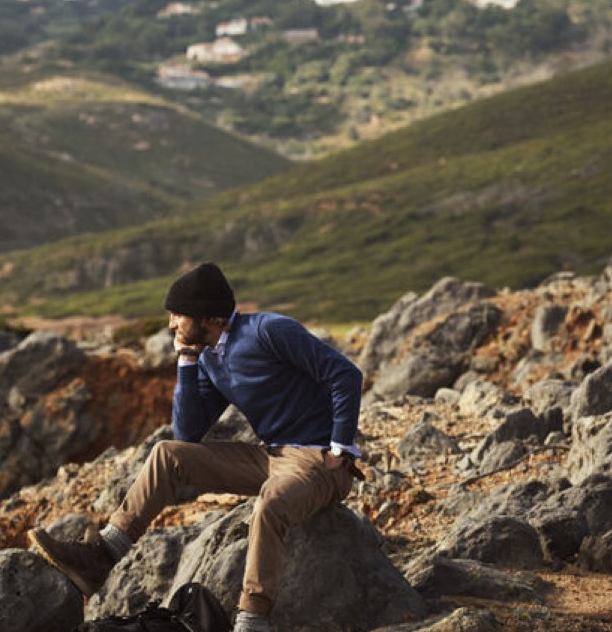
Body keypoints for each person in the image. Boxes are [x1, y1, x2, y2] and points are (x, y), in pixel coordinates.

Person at [29, 262, 363, 632]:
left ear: (206, 315)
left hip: (317, 462)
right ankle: (103, 555)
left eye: (177, 315)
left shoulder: (269, 330)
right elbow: (187, 433)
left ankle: (253, 619)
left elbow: (345, 374)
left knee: (270, 503)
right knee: (167, 454)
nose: (171, 324)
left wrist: (339, 447)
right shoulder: (207, 355)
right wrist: (187, 361)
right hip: (270, 456)